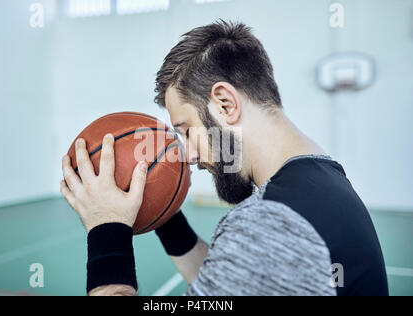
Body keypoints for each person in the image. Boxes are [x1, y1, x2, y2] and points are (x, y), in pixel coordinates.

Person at [60, 21, 388, 296]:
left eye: (186, 131)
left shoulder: (271, 224)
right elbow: (230, 286)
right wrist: (165, 214)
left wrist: (107, 231)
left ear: (225, 104)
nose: (186, 155)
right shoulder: (321, 179)